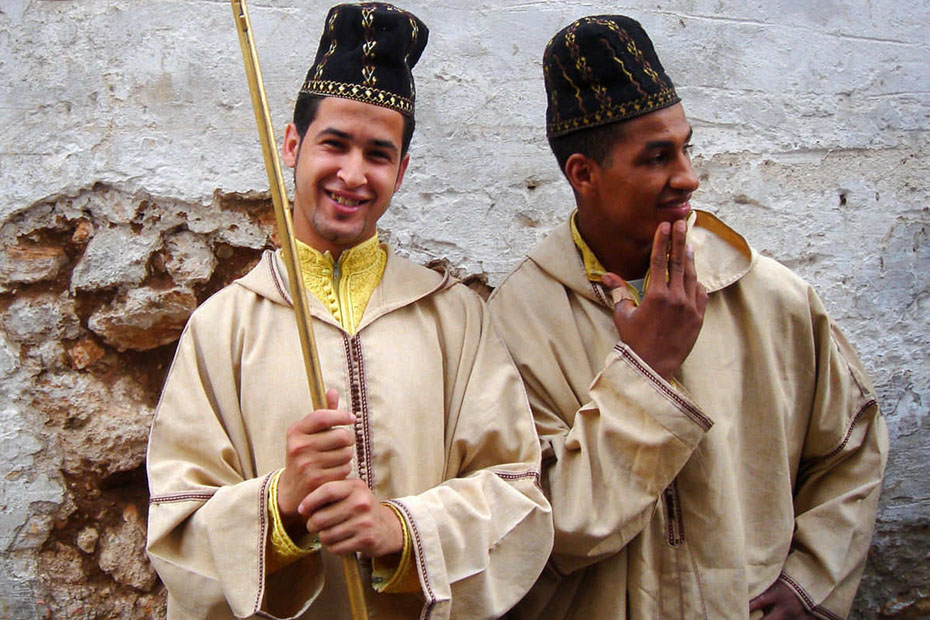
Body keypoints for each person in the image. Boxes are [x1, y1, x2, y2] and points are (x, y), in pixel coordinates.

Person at [146, 4, 552, 619]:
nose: (353, 174)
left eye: (379, 154)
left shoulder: (458, 320)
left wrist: (401, 530)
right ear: (291, 143)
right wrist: (281, 504)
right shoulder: (223, 326)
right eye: (334, 143)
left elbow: (517, 497)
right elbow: (177, 525)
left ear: (403, 169)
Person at [489, 15, 887, 620]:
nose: (689, 177)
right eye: (657, 157)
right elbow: (552, 528)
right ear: (584, 175)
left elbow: (850, 445)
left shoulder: (770, 297)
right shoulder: (516, 322)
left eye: (686, 147)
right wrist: (645, 372)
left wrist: (812, 581)